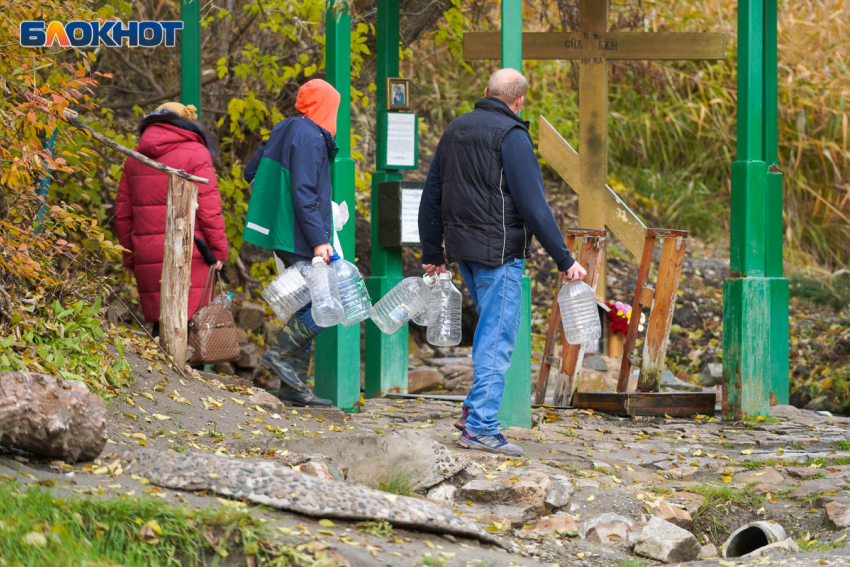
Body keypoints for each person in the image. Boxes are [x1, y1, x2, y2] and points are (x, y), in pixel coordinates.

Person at [418, 68, 588, 456]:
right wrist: (565, 259)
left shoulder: (455, 129)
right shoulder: (512, 136)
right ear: (520, 100)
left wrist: (433, 252)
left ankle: (470, 413)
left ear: (486, 91)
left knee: (488, 334)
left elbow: (432, 194)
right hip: (499, 254)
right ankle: (479, 426)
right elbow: (533, 205)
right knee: (497, 340)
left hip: (463, 251)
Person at [243, 79, 341, 408]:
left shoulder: (285, 128)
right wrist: (319, 241)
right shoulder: (312, 137)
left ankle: (293, 388)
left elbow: (251, 171)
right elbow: (304, 193)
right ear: (327, 108)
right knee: (326, 304)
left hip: (282, 232)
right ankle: (279, 357)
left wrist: (274, 201)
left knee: (303, 306)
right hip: (300, 234)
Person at [116, 102, 228, 335]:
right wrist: (218, 251)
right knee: (193, 322)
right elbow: (209, 208)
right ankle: (187, 370)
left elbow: (123, 214)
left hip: (146, 251)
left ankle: (163, 367)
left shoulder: (134, 157)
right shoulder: (197, 153)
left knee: (162, 320)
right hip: (189, 249)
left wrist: (129, 256)